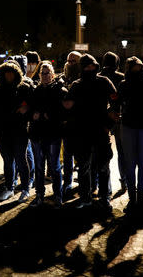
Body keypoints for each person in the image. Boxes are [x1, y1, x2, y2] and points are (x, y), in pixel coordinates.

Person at [64, 53, 118, 210]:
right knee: (83, 167)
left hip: (101, 131)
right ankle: (85, 197)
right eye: (87, 66)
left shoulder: (104, 81)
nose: (90, 69)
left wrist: (109, 124)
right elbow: (68, 106)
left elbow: (116, 102)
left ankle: (104, 196)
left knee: (103, 165)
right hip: (82, 132)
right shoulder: (76, 85)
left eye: (92, 66)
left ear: (96, 66)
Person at [116, 56, 143, 214]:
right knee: (133, 164)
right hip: (133, 126)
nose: (137, 71)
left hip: (140, 125)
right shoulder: (127, 84)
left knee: (139, 163)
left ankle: (138, 198)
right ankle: (135, 198)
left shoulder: (134, 83)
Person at [0, 61, 33, 202]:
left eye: (11, 72)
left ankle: (25, 189)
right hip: (2, 131)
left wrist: (25, 111)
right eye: (6, 72)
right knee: (8, 161)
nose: (9, 75)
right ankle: (10, 188)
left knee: (21, 160)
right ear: (1, 74)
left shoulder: (24, 88)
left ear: (16, 74)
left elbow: (30, 108)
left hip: (19, 131)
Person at [29, 62, 67, 208]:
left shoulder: (59, 90)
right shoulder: (35, 91)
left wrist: (48, 115)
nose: (44, 76)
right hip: (37, 134)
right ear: (39, 75)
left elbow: (64, 112)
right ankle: (40, 194)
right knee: (39, 166)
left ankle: (58, 195)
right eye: (42, 73)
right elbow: (29, 110)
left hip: (53, 134)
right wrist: (33, 115)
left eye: (47, 73)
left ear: (52, 74)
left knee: (55, 166)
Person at [99, 51, 126, 192]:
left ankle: (105, 186)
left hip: (102, 119)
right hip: (118, 117)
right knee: (122, 151)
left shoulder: (98, 78)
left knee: (103, 154)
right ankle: (124, 180)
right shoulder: (121, 78)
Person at [58, 51, 82, 196]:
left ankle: (85, 183)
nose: (70, 63)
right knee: (67, 155)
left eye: (74, 61)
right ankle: (67, 182)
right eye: (69, 60)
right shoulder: (62, 79)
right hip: (66, 124)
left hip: (80, 123)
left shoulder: (82, 80)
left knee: (81, 156)